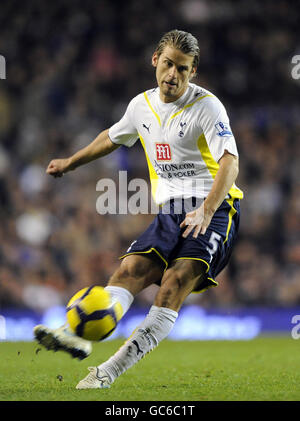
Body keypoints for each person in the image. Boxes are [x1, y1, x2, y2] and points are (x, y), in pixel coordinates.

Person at [34, 29, 243, 389]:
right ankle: (78, 334)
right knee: (131, 269)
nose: (172, 75)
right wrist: (71, 162)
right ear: (154, 60)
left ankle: (107, 372)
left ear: (193, 72)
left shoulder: (207, 106)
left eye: (182, 68)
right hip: (171, 210)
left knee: (173, 284)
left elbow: (229, 163)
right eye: (167, 64)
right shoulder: (140, 106)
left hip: (216, 209)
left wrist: (207, 211)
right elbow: (112, 137)